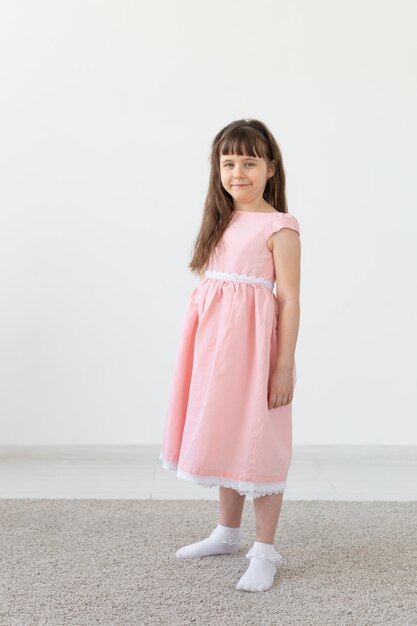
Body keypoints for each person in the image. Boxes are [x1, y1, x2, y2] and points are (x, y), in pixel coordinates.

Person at [159, 118, 301, 592]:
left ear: (271, 168)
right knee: (223, 431)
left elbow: (289, 299)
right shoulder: (220, 219)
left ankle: (265, 549)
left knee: (261, 439)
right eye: (228, 162)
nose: (237, 171)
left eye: (249, 162)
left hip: (256, 351)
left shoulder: (279, 227)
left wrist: (283, 365)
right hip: (214, 350)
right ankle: (226, 532)